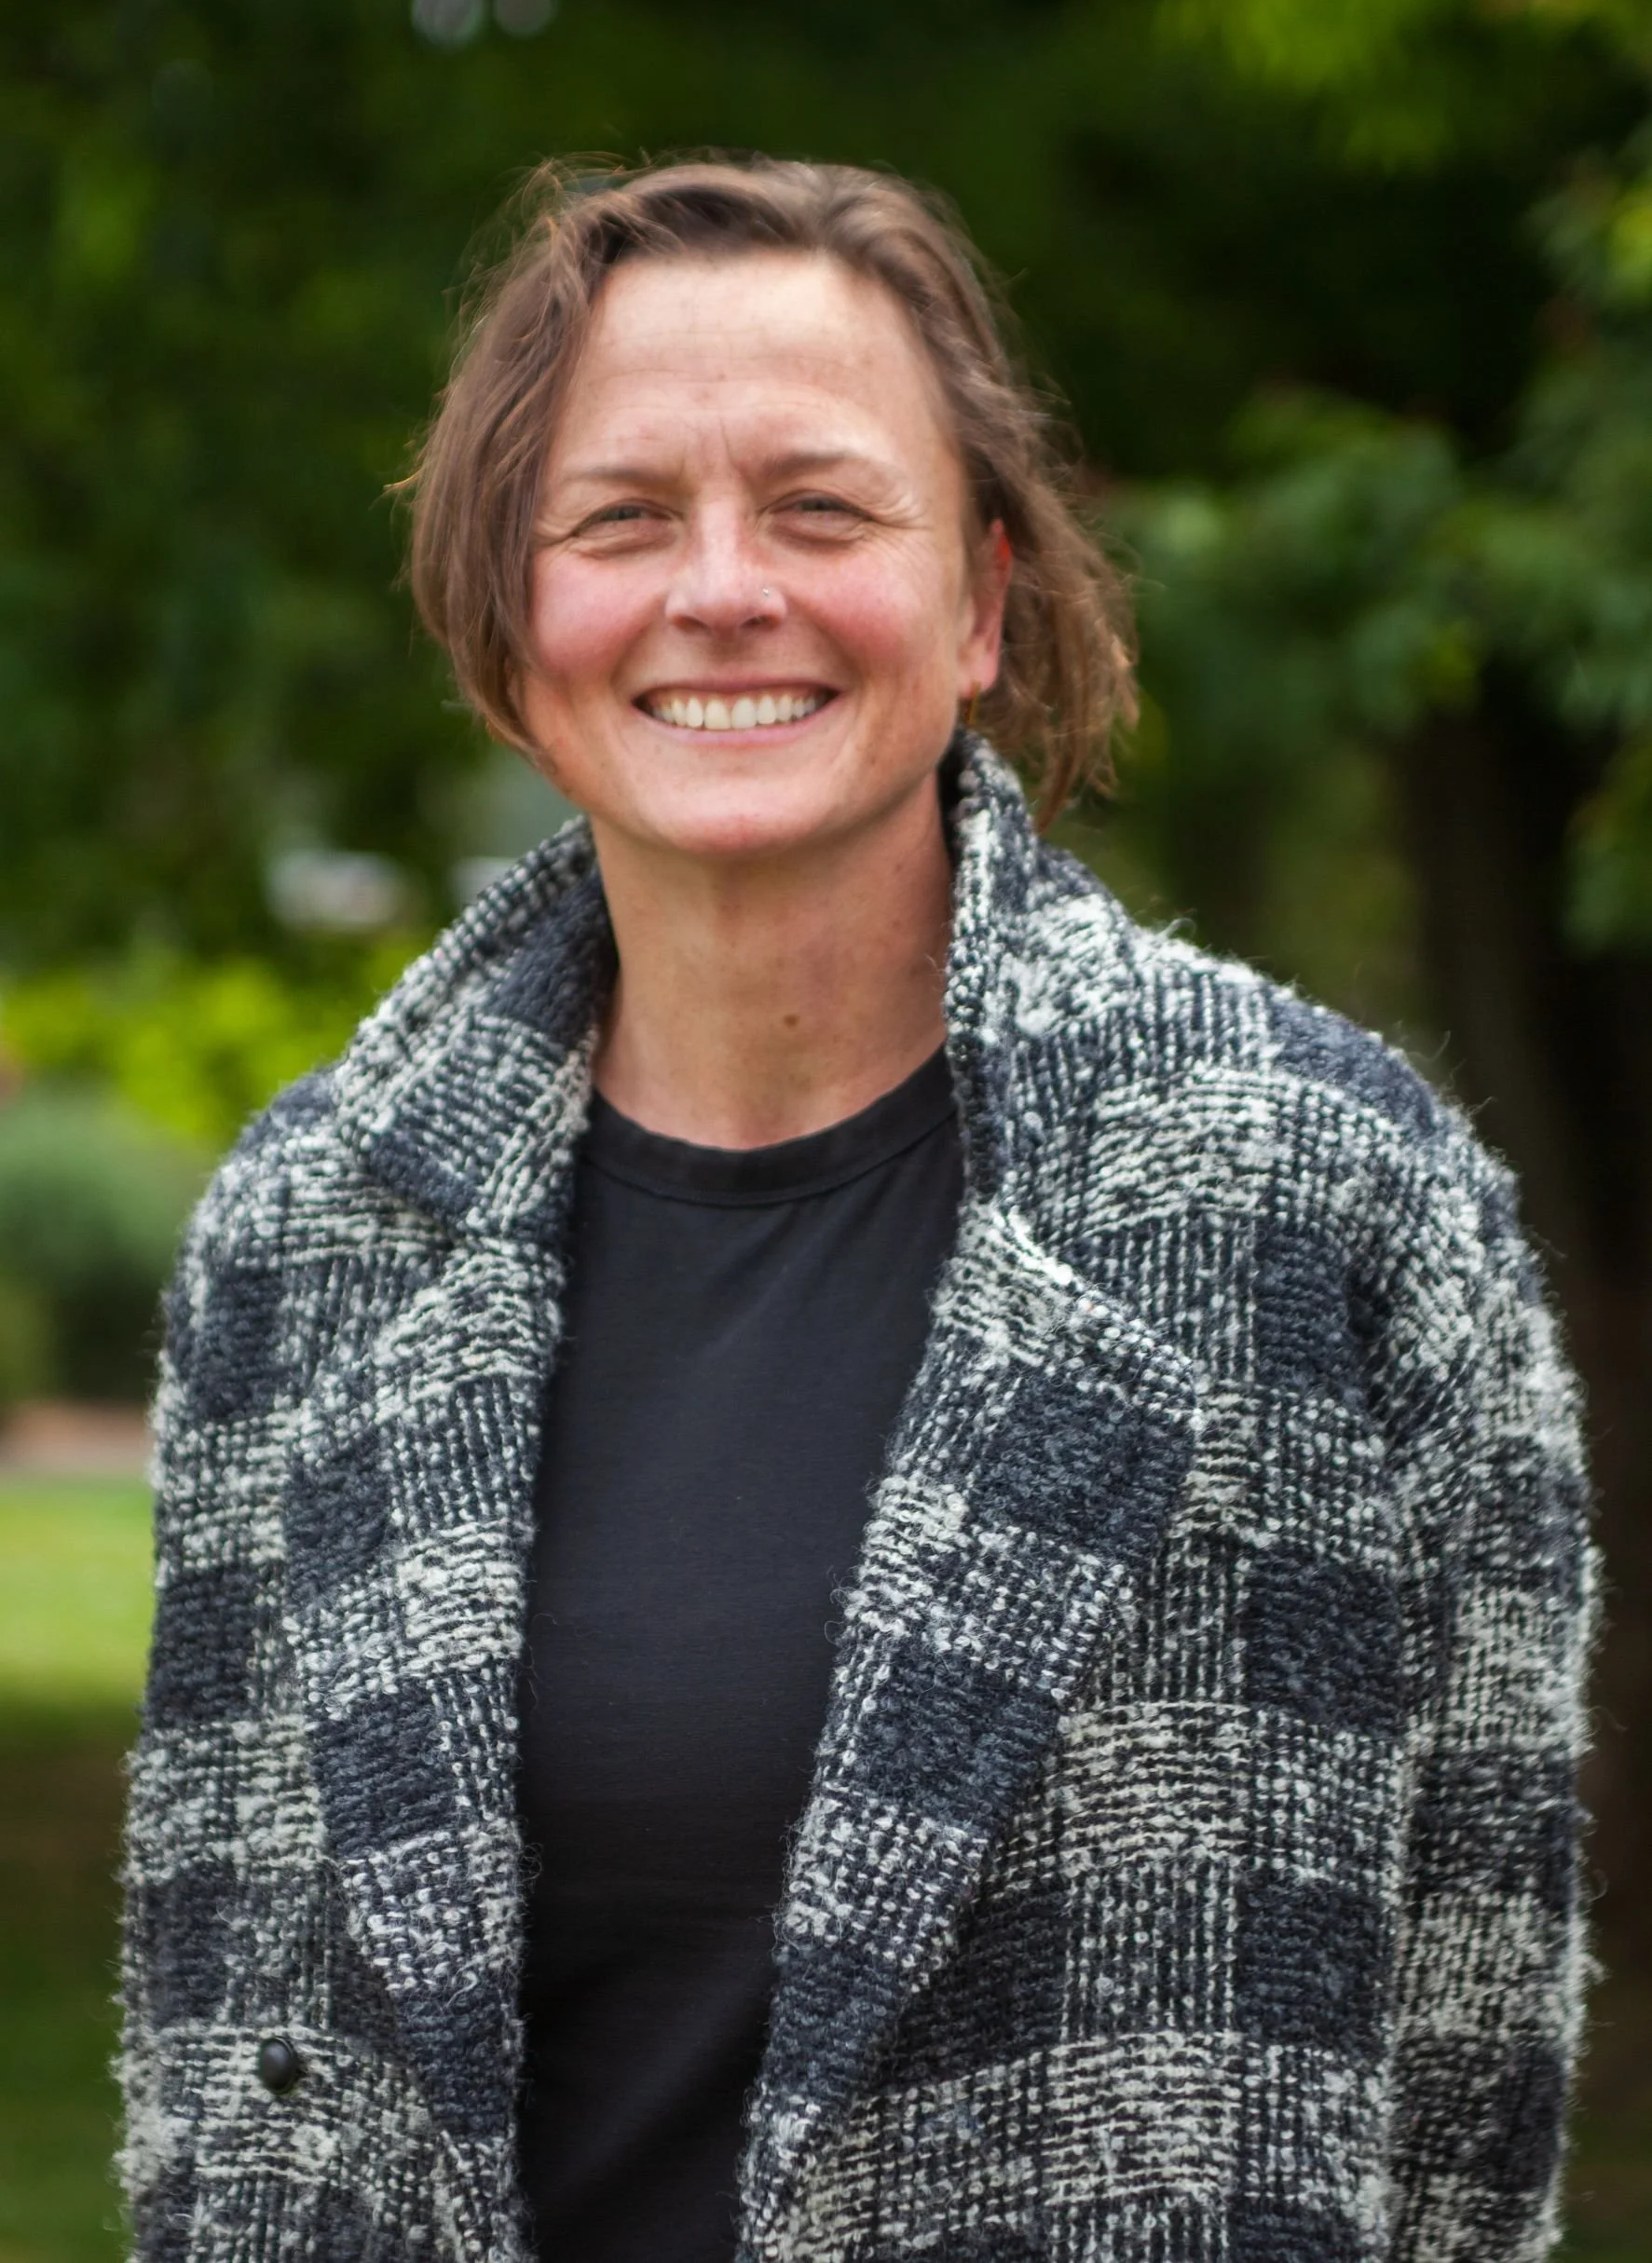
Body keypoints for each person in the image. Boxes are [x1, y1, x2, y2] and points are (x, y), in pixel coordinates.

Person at [118, 157, 1593, 2263]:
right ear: (501, 626)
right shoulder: (305, 1242)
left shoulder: (1327, 1202)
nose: (723, 587)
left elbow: (1470, 2086)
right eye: (621, 519)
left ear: (981, 600)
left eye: (821, 508)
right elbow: (222, 2077)